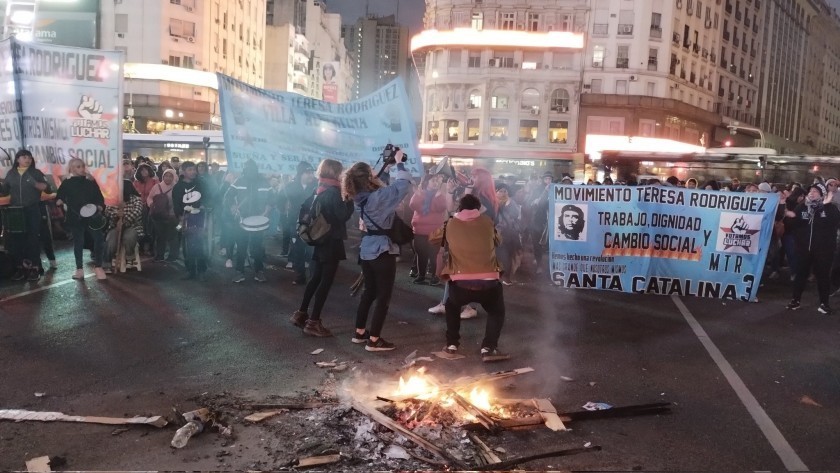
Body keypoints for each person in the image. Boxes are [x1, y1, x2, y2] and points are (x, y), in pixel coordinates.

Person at [429, 194, 510, 362]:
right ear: (478, 208)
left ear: (459, 208)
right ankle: (488, 348)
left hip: (460, 283)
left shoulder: (450, 223)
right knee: (496, 312)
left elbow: (433, 239)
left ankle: (452, 345)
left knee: (451, 305)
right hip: (489, 282)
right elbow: (498, 241)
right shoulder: (487, 221)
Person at [345, 153, 413, 352]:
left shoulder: (359, 197)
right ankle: (374, 340)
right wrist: (399, 164)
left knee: (370, 292)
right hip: (382, 250)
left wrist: (386, 167)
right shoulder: (376, 198)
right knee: (383, 296)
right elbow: (403, 185)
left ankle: (359, 333)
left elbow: (378, 185)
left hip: (367, 249)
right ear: (367, 179)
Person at [290, 159, 355, 337]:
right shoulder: (334, 192)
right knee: (325, 283)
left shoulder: (319, 188)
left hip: (318, 240)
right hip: (330, 241)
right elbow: (342, 215)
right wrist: (349, 199)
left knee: (315, 278)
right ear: (335, 173)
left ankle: (301, 313)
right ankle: (313, 322)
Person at [785, 182, 840, 314]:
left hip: (823, 251)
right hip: (804, 249)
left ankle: (824, 304)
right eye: (810, 191)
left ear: (822, 195)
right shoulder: (802, 207)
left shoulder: (831, 208)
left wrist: (823, 206)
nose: (811, 193)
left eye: (815, 191)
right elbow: (792, 225)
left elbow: (834, 222)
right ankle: (795, 301)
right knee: (800, 275)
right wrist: (789, 217)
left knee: (823, 277)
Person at [0, 149, 50, 281]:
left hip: (32, 209)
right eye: (24, 157)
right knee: (17, 241)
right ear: (17, 159)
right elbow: (4, 192)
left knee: (32, 239)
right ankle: (20, 268)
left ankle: (34, 268)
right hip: (16, 211)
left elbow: (46, 187)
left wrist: (33, 182)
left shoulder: (36, 173)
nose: (27, 159)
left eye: (29, 157)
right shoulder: (11, 174)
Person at [55, 158, 107, 280]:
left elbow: (99, 197)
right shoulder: (67, 183)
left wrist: (99, 206)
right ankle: (79, 269)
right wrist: (59, 201)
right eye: (78, 166)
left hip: (92, 216)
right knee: (78, 242)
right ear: (72, 168)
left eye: (82, 166)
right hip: (75, 217)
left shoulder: (90, 182)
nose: (81, 169)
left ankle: (98, 266)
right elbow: (59, 197)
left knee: (98, 239)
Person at [224, 159, 271, 283]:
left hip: (259, 219)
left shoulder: (264, 182)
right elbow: (228, 196)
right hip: (242, 219)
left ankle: (259, 271)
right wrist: (233, 207)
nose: (250, 171)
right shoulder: (239, 181)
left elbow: (272, 198)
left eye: (252, 168)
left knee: (257, 248)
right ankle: (240, 272)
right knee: (241, 247)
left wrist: (267, 210)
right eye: (247, 169)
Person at [408, 173, 453, 285]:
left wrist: (437, 196)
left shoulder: (440, 195)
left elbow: (441, 207)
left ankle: (434, 276)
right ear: (426, 182)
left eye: (437, 181)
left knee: (434, 254)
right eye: (433, 180)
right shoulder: (420, 193)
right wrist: (418, 194)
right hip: (419, 230)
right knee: (420, 254)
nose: (436, 183)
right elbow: (413, 205)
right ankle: (421, 275)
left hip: (435, 230)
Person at [172, 161, 208, 280]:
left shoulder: (201, 183)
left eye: (193, 169)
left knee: (200, 244)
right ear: (183, 171)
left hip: (200, 217)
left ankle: (202, 270)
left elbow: (207, 197)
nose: (193, 172)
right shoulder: (178, 187)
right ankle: (190, 270)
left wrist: (203, 206)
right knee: (187, 246)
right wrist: (181, 218)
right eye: (189, 170)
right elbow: (176, 204)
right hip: (185, 218)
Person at [284, 162, 317, 284]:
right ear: (300, 173)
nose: (311, 175)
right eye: (308, 173)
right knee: (297, 250)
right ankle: (300, 276)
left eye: (312, 172)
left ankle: (314, 277)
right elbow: (280, 201)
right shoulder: (290, 186)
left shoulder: (317, 186)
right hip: (295, 223)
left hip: (313, 224)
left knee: (312, 250)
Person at [102, 181, 145, 273]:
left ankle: (130, 257)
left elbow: (136, 213)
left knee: (129, 237)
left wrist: (123, 221)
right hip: (115, 226)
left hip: (132, 226)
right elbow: (108, 211)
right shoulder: (113, 199)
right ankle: (107, 263)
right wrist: (117, 214)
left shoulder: (136, 199)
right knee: (110, 240)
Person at [147, 169, 180, 263]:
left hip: (172, 216)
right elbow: (150, 197)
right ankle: (160, 254)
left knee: (173, 235)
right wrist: (151, 205)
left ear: (174, 177)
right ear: (163, 176)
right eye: (166, 176)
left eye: (170, 176)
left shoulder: (176, 187)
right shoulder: (157, 186)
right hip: (158, 215)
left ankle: (173, 255)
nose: (168, 178)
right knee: (160, 236)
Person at [495, 183, 522, 285]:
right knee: (499, 255)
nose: (503, 193)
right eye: (500, 191)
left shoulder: (511, 202)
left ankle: (506, 277)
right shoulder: (493, 203)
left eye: (505, 191)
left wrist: (508, 204)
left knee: (508, 255)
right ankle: (498, 275)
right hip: (497, 234)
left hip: (510, 234)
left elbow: (515, 215)